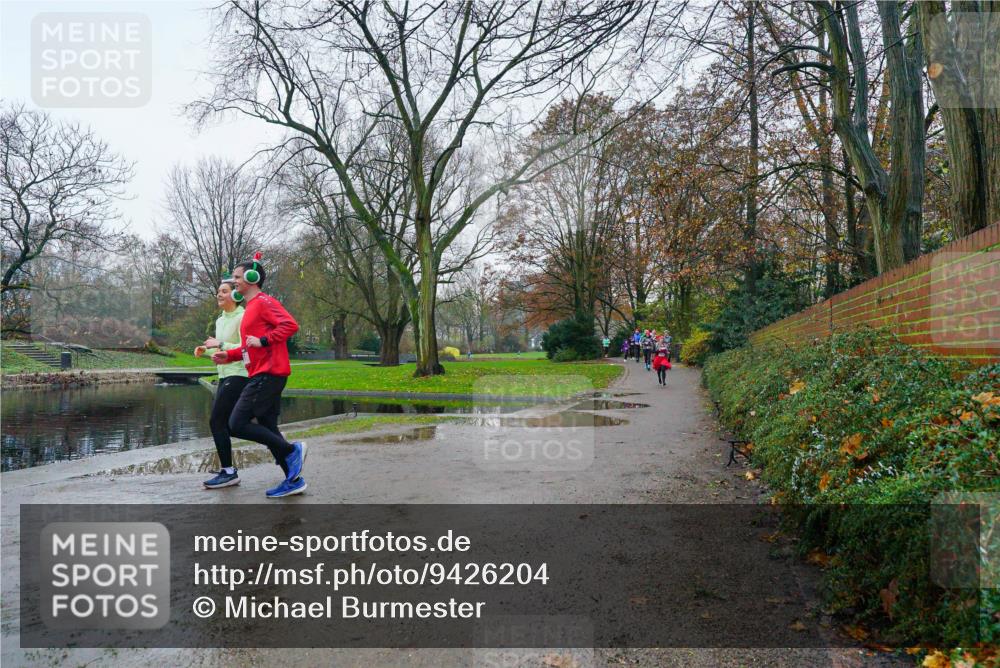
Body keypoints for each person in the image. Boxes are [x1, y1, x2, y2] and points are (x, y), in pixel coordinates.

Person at [211, 254, 307, 498]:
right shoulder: (251, 308)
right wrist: (229, 355)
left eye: (237, 277)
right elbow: (247, 346)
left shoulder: (264, 302)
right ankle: (293, 480)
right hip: (261, 372)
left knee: (236, 424)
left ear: (252, 277)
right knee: (268, 427)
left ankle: (291, 450)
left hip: (269, 372)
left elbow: (290, 325)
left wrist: (264, 340)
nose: (234, 282)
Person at [195, 279, 247, 489]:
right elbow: (221, 350)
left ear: (235, 295)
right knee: (233, 424)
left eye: (224, 291)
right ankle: (285, 449)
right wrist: (205, 350)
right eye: (218, 291)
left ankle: (229, 472)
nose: (219, 294)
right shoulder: (220, 320)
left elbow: (244, 348)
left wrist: (220, 344)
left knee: (217, 421)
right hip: (224, 375)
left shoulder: (243, 317)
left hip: (239, 374)